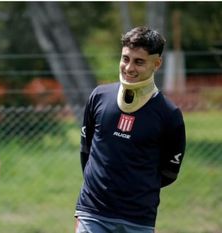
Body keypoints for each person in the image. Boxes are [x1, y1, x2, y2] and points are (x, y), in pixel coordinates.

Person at [74, 26, 186, 233]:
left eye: (139, 62)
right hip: (93, 212)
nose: (129, 67)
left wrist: (137, 189)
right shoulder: (99, 97)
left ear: (157, 63)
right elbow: (86, 150)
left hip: (138, 218)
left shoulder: (169, 114)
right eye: (126, 58)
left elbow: (169, 172)